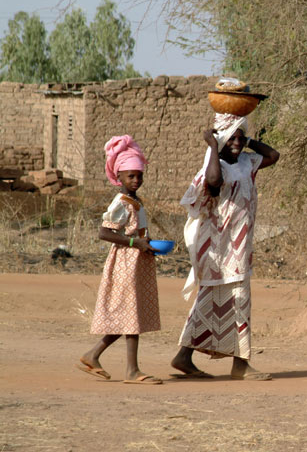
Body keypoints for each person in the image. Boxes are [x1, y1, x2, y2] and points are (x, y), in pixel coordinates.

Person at [170, 112, 280, 380]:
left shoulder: (247, 162)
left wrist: (248, 138)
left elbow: (273, 156)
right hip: (219, 245)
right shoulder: (214, 166)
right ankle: (240, 365)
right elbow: (214, 182)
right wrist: (214, 147)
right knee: (237, 299)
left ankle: (183, 357)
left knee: (211, 300)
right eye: (233, 137)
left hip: (239, 244)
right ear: (221, 139)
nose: (237, 142)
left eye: (240, 137)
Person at [77, 135, 162, 385]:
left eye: (139, 175)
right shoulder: (121, 202)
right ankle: (132, 371)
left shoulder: (135, 201)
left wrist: (148, 244)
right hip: (125, 263)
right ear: (119, 177)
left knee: (128, 315)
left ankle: (92, 355)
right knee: (131, 317)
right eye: (130, 176)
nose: (136, 180)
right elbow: (105, 232)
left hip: (137, 261)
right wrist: (136, 243)